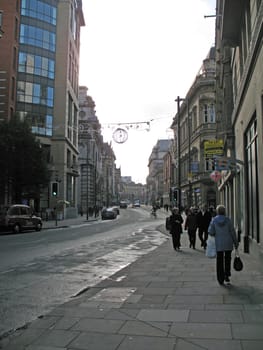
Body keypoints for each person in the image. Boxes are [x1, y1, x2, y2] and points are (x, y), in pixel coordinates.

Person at [208, 204, 239, 285]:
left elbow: (211, 231)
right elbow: (232, 232)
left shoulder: (214, 220)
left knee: (219, 260)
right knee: (228, 258)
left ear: (217, 211)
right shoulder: (228, 220)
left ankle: (220, 278)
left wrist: (215, 233)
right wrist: (236, 243)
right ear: (224, 211)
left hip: (219, 243)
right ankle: (227, 274)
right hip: (228, 243)